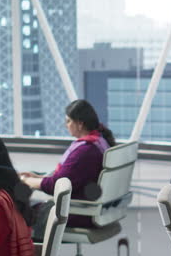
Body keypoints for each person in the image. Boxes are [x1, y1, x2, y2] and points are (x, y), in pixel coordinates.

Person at [20, 99, 115, 237]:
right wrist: (38, 178)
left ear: (80, 124)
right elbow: (70, 177)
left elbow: (57, 185)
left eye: (68, 121)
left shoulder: (85, 152)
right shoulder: (99, 141)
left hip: (78, 213)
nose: (66, 125)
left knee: (20, 216)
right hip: (87, 207)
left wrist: (26, 180)